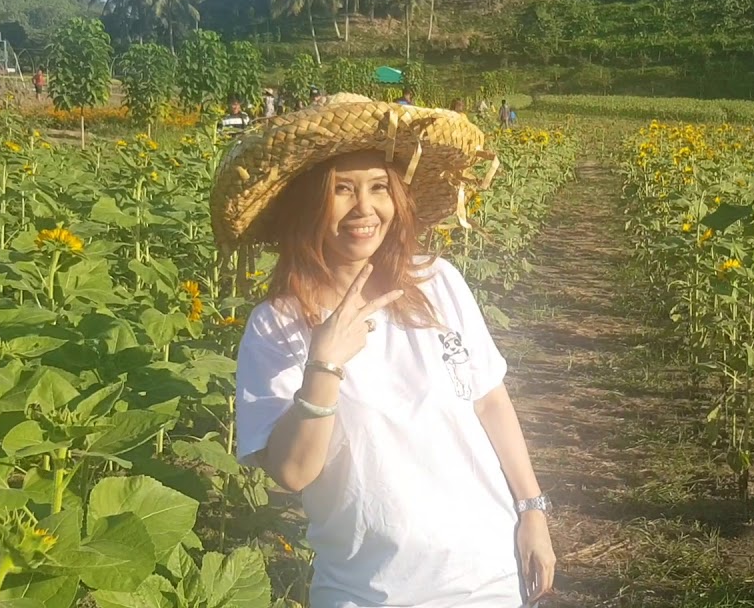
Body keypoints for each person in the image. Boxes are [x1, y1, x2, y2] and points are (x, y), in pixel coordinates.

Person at [219, 100, 556, 608]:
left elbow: (488, 398)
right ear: (308, 203)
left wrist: (532, 509)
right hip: (369, 591)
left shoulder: (437, 281)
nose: (364, 208)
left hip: (486, 574)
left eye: (379, 186)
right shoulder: (277, 326)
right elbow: (292, 474)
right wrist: (324, 366)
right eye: (342, 189)